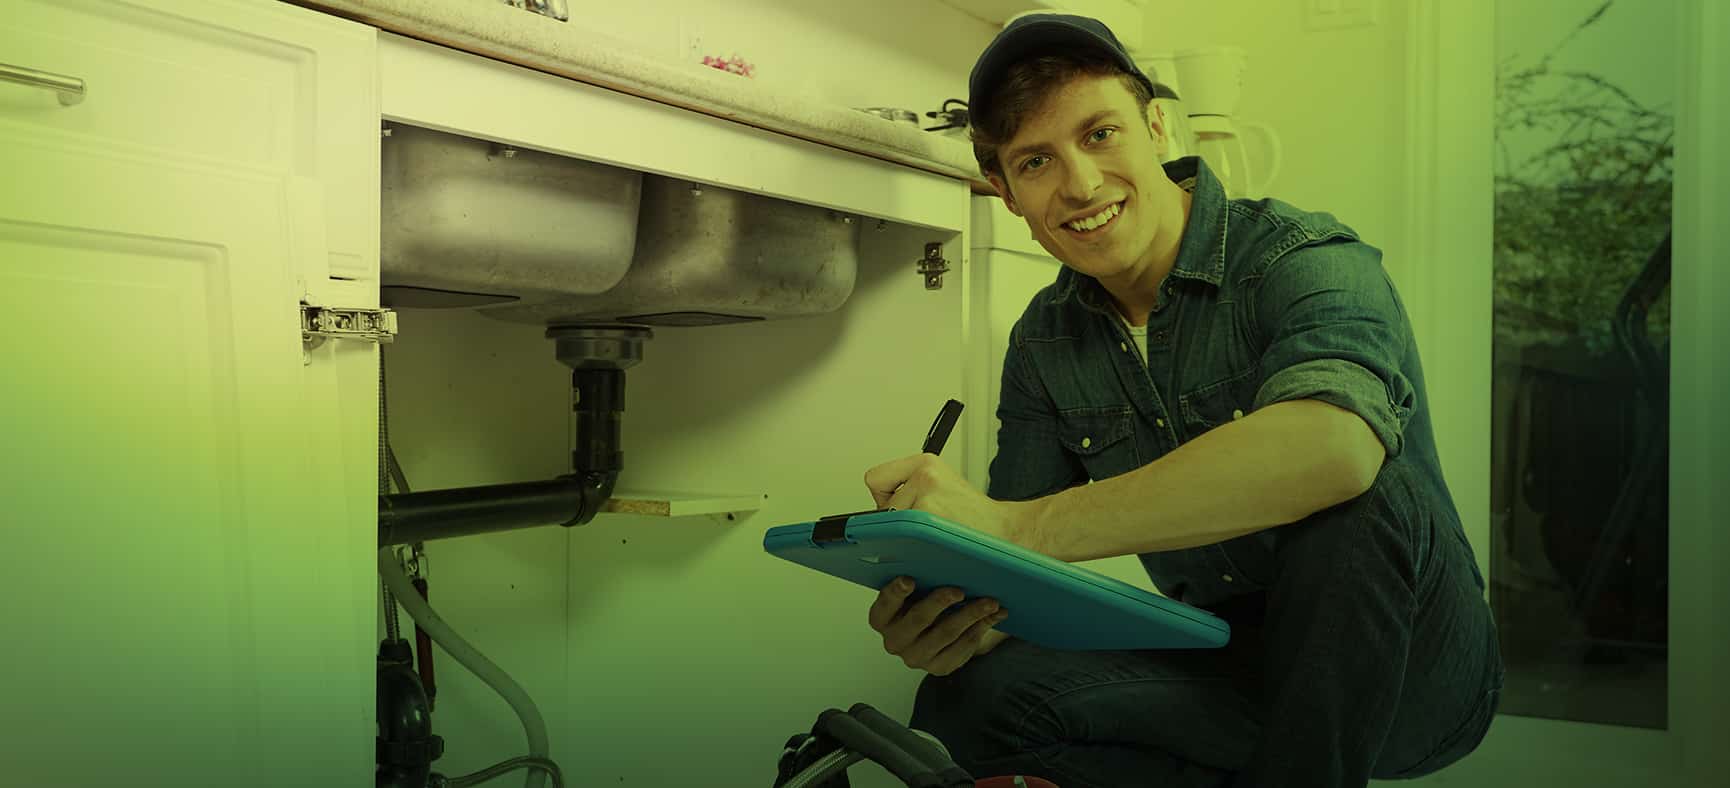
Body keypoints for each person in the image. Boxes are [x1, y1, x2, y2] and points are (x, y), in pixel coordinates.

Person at [859, 14, 1505, 788]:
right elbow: (1018, 572)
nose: (1081, 184)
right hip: (1233, 666)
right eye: (1036, 161)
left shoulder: (1305, 259)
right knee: (968, 704)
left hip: (1416, 676)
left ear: (1157, 126)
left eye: (1100, 134)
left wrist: (1019, 528)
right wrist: (957, 620)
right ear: (1005, 194)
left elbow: (1333, 450)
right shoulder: (1044, 339)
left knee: (1357, 485)